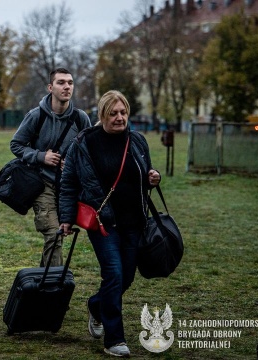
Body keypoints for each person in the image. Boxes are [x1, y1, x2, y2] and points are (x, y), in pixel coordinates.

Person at [58, 90, 161, 358]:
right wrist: (67, 218)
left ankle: (96, 305)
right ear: (102, 115)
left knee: (125, 277)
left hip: (134, 221)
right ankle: (114, 339)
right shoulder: (84, 142)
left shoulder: (137, 140)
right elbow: (69, 182)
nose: (119, 118)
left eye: (123, 112)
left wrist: (153, 177)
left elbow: (144, 174)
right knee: (114, 274)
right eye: (113, 113)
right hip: (102, 223)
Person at [10, 68, 91, 267]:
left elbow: (89, 153)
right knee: (54, 233)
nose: (67, 87)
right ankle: (54, 285)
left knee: (58, 235)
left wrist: (73, 165)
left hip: (69, 187)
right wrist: (40, 156)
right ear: (50, 87)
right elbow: (16, 145)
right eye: (61, 82)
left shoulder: (81, 119)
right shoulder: (36, 116)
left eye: (70, 83)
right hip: (41, 183)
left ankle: (43, 280)